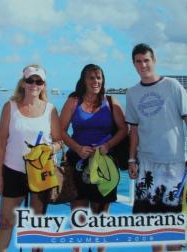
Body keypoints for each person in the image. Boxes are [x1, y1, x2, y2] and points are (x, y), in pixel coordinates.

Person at [125, 43, 187, 252]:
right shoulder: (132, 93)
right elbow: (135, 130)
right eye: (138, 61)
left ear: (154, 60)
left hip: (173, 164)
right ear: (134, 64)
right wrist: (132, 159)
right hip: (146, 164)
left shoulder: (172, 86)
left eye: (146, 60)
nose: (143, 65)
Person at [0, 64, 62, 252]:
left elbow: (59, 141)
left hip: (41, 174)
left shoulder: (50, 110)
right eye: (30, 80)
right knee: (5, 221)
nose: (34, 84)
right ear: (23, 83)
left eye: (39, 81)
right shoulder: (10, 107)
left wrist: (50, 148)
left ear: (43, 86)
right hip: (13, 171)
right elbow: (0, 143)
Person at [60, 63, 127, 252]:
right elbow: (60, 131)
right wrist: (77, 148)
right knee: (78, 214)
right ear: (83, 80)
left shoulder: (111, 101)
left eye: (99, 77)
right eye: (91, 77)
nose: (95, 81)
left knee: (101, 215)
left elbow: (124, 129)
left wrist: (107, 145)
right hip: (78, 162)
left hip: (104, 165)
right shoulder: (73, 101)